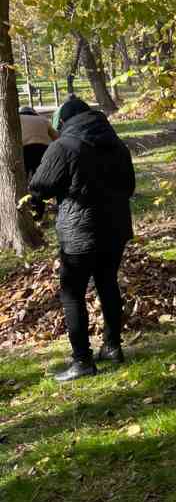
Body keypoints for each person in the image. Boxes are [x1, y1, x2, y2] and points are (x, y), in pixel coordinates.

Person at [29, 97, 136, 382]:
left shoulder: (63, 146)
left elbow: (41, 184)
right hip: (116, 228)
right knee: (108, 283)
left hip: (80, 231)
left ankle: (82, 361)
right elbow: (130, 186)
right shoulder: (117, 144)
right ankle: (113, 347)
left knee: (72, 292)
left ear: (64, 122)